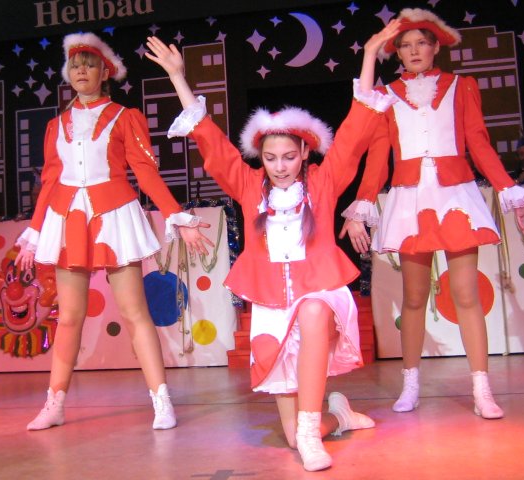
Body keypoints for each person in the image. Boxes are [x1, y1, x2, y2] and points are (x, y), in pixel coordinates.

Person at [145, 21, 400, 472]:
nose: (280, 166)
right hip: (269, 298)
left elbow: (356, 129)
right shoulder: (249, 187)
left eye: (289, 157)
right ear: (259, 157)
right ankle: (334, 417)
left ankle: (311, 431)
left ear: (305, 154)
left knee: (314, 312)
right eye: (270, 158)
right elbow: (209, 139)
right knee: (290, 433)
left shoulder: (323, 182)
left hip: (317, 286)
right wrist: (178, 78)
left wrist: (368, 56)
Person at [340, 8, 524, 420]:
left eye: (421, 44)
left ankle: (482, 389)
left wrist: (507, 187)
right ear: (397, 53)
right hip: (410, 200)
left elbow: (478, 142)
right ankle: (410, 384)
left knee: (466, 294)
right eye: (405, 46)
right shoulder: (386, 95)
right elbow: (377, 157)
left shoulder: (462, 86)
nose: (413, 51)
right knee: (414, 297)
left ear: (435, 47)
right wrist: (362, 205)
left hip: (455, 196)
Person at [15, 32, 213, 432]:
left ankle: (161, 401)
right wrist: (34, 232)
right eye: (75, 65)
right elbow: (50, 181)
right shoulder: (55, 125)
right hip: (69, 218)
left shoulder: (125, 117)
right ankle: (55, 404)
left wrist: (176, 215)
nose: (81, 71)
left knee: (135, 312)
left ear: (105, 72)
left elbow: (145, 172)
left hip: (115, 215)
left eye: (89, 64)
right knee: (69, 317)